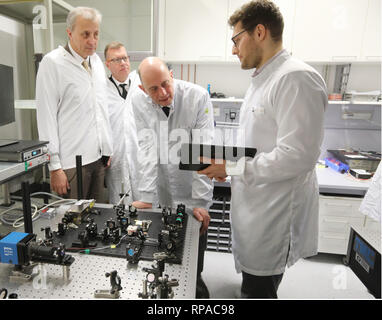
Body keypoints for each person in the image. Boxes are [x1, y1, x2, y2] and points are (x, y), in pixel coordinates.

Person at [198, 0, 328, 298]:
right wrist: (225, 162)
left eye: (236, 39)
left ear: (259, 32)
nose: (233, 50)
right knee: (253, 284)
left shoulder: (295, 78)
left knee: (260, 290)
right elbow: (259, 145)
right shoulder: (262, 80)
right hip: (255, 208)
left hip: (275, 216)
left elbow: (297, 157)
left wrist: (231, 167)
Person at [131, 57, 214, 298]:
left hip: (191, 186)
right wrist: (146, 196)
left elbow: (203, 150)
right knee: (163, 256)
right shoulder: (139, 101)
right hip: (161, 188)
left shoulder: (197, 97)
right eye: (153, 89)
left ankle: (197, 289)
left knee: (193, 263)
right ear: (142, 89)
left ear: (172, 74)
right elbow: (146, 147)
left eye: (166, 83)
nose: (163, 93)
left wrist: (200, 202)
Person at [36, 7, 113, 203]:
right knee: (72, 225)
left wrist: (107, 146)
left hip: (98, 160)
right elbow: (46, 118)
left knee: (98, 221)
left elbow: (101, 109)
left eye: (96, 34)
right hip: (71, 164)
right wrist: (54, 167)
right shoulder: (52, 63)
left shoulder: (96, 62)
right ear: (69, 33)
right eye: (85, 34)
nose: (92, 40)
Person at [104, 42, 141, 204]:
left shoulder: (141, 84)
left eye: (125, 58)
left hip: (141, 156)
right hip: (116, 158)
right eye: (117, 60)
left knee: (145, 204)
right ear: (108, 64)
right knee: (121, 206)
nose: (123, 63)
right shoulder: (102, 90)